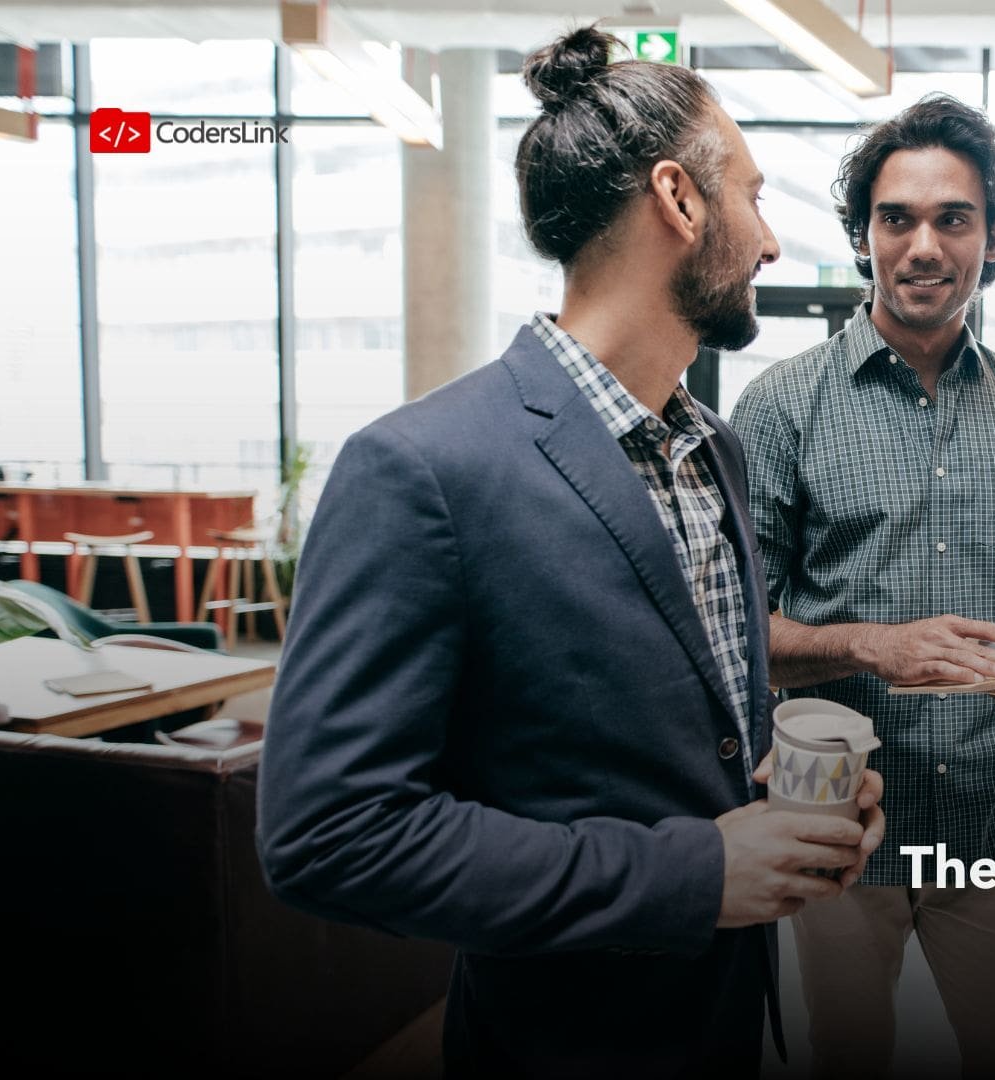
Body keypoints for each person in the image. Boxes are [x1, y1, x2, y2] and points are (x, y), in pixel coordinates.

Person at [256, 27, 884, 1077]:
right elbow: (330, 834)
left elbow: (684, 730)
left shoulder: (714, 449)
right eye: (754, 197)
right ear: (680, 200)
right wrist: (695, 873)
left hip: (726, 1023)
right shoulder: (421, 468)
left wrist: (789, 799)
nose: (771, 243)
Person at [731, 94, 995, 1076]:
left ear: (993, 238)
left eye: (953, 219)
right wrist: (872, 645)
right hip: (835, 814)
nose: (924, 246)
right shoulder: (780, 407)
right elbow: (739, 633)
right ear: (864, 236)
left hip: (993, 810)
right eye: (897, 218)